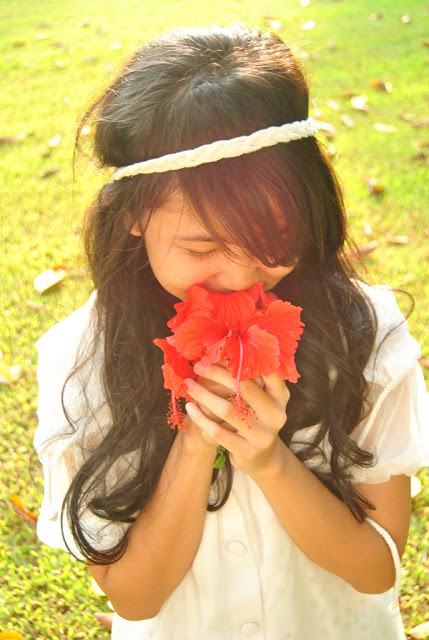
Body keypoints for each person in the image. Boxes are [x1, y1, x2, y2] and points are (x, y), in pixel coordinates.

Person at [34, 25, 429, 640]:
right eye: (201, 248)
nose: (241, 279)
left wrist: (271, 462)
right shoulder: (80, 359)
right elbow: (135, 599)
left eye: (277, 241)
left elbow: (376, 569)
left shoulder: (365, 334)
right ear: (134, 213)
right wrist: (196, 443)